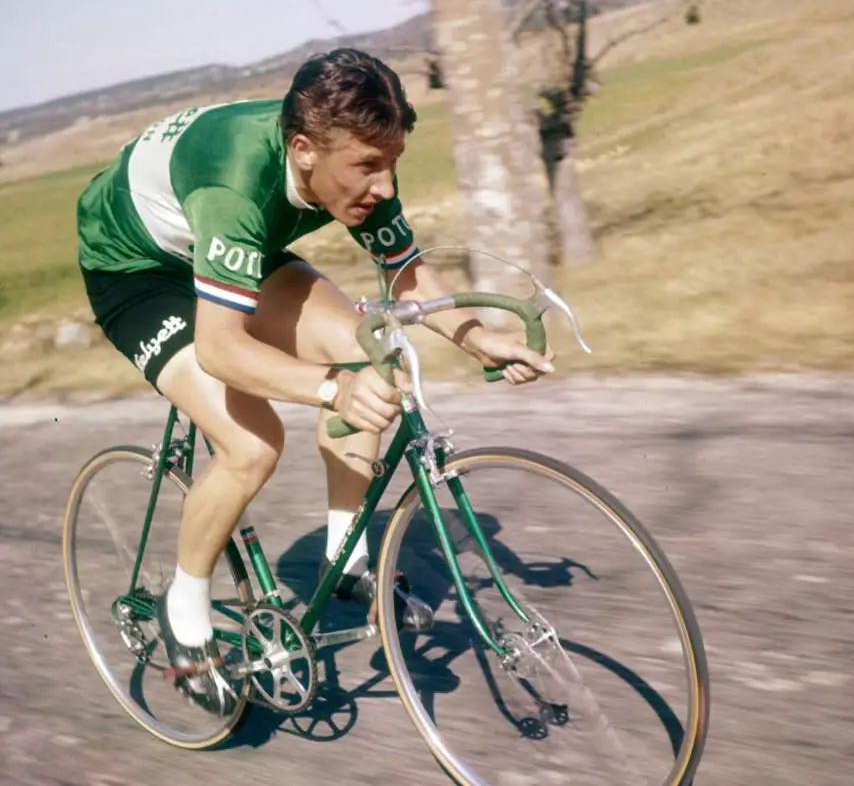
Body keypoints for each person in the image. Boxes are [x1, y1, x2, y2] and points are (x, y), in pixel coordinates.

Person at [76, 47, 555, 716]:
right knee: (253, 444)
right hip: (137, 273)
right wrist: (330, 389)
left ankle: (348, 552)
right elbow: (219, 347)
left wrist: (479, 337)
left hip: (223, 240)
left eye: (391, 163)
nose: (384, 185)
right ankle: (184, 608)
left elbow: (405, 267)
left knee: (366, 349)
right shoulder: (238, 181)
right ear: (303, 148)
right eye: (366, 166)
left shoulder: (353, 166)